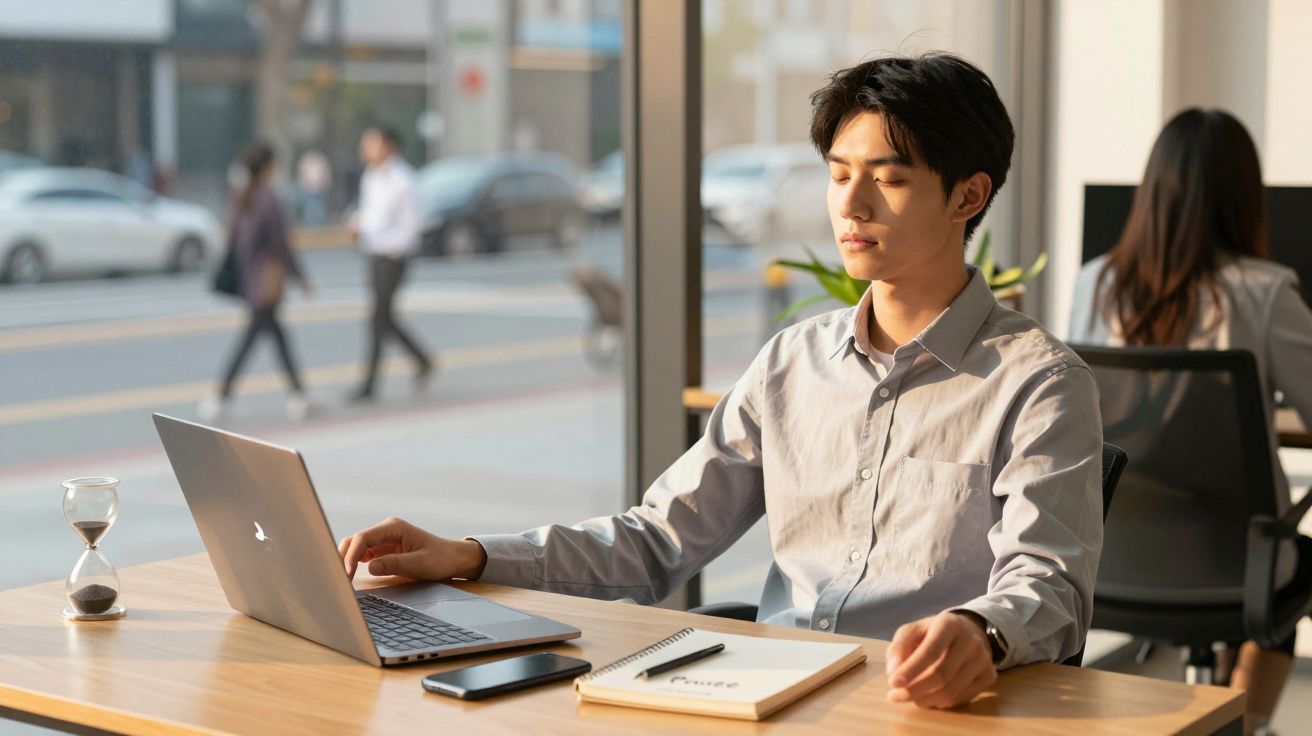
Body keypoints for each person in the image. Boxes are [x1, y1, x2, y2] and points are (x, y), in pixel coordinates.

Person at [339, 54, 1104, 710]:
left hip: (919, 706)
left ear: (967, 196)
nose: (852, 204)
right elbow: (653, 542)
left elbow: (1050, 586)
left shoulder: (1038, 382)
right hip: (774, 698)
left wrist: (982, 633)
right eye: (840, 175)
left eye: (889, 180)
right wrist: (469, 556)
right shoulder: (791, 364)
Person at [1069, 108, 1309, 735]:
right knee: (1286, 562)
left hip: (1114, 550)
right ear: (1242, 195)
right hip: (1232, 562)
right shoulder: (1267, 291)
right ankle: (1245, 725)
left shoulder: (1093, 283)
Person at [201, 143, 313, 421]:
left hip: (251, 280)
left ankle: (298, 394)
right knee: (258, 339)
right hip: (266, 282)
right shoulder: (268, 199)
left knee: (273, 338)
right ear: (267, 167)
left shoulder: (242, 197)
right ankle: (222, 396)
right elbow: (281, 243)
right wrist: (299, 276)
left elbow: (235, 242)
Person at [348, 124, 434, 401]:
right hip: (373, 253)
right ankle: (422, 359)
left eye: (371, 143)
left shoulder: (403, 179)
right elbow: (370, 214)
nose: (366, 149)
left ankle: (369, 384)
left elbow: (411, 225)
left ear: (388, 146)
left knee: (377, 318)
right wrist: (357, 226)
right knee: (384, 318)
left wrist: (394, 251)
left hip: (394, 257)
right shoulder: (371, 177)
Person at [297, 148, 332, 226]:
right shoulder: (306, 160)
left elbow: (326, 174)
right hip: (309, 189)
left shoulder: (322, 160)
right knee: (310, 208)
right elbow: (302, 174)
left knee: (319, 208)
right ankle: (310, 225)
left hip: (320, 188)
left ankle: (320, 225)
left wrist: (326, 184)